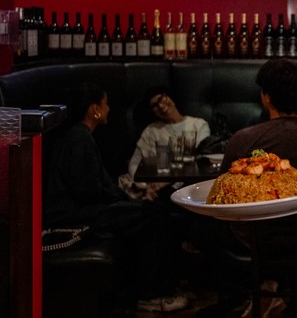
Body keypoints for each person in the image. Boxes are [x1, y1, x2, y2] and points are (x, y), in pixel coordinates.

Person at [43, 82, 189, 312]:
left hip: (76, 210)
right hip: (71, 217)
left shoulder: (77, 135)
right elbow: (86, 190)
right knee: (154, 214)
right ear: (95, 109)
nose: (109, 109)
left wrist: (125, 198)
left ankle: (156, 285)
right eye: (106, 104)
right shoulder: (79, 138)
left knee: (152, 210)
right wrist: (122, 201)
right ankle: (152, 294)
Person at [193, 59, 297, 317]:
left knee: (193, 220)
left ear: (266, 97)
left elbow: (223, 193)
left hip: (255, 242)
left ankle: (239, 295)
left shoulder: (244, 139)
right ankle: (273, 286)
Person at [119, 86, 210, 200]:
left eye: (161, 99)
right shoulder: (152, 130)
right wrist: (144, 186)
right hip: (154, 188)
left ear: (170, 96)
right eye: (154, 106)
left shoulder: (198, 125)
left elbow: (200, 160)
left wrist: (163, 185)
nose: (161, 106)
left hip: (187, 186)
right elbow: (135, 163)